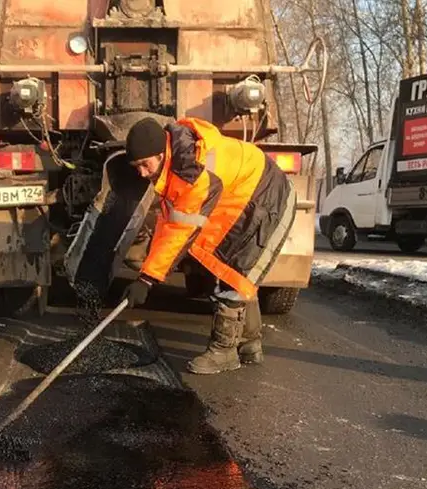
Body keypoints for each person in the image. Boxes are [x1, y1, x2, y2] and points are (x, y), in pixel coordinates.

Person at [121, 117, 297, 374]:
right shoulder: (175, 162)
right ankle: (249, 344)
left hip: (267, 198)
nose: (142, 173)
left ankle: (224, 351)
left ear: (161, 154)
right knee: (230, 269)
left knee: (232, 270)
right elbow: (168, 226)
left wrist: (147, 280)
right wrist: (146, 274)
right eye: (136, 167)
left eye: (145, 165)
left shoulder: (189, 170)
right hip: (247, 194)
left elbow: (180, 231)